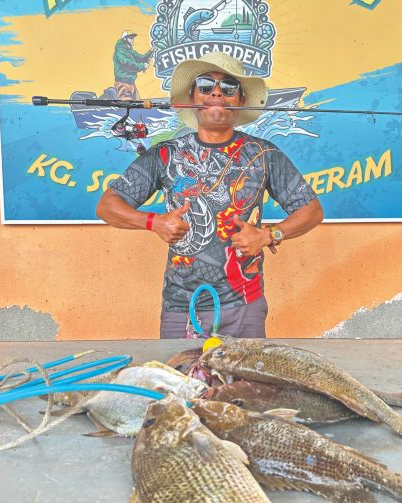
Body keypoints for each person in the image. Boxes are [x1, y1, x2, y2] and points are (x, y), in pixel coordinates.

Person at [96, 51, 324, 339]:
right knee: (181, 383)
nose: (216, 92)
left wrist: (268, 235)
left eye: (229, 88)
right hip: (181, 306)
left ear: (240, 100)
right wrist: (154, 222)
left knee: (242, 384)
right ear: (192, 97)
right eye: (205, 85)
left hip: (244, 305)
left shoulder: (265, 154)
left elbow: (312, 211)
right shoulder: (165, 154)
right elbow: (107, 206)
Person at [112, 31, 155, 100]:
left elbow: (141, 58)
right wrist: (143, 66)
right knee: (126, 106)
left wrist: (150, 52)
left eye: (133, 38)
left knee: (137, 107)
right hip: (123, 84)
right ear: (125, 39)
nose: (132, 39)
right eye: (130, 38)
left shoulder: (130, 51)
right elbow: (128, 64)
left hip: (131, 84)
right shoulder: (119, 52)